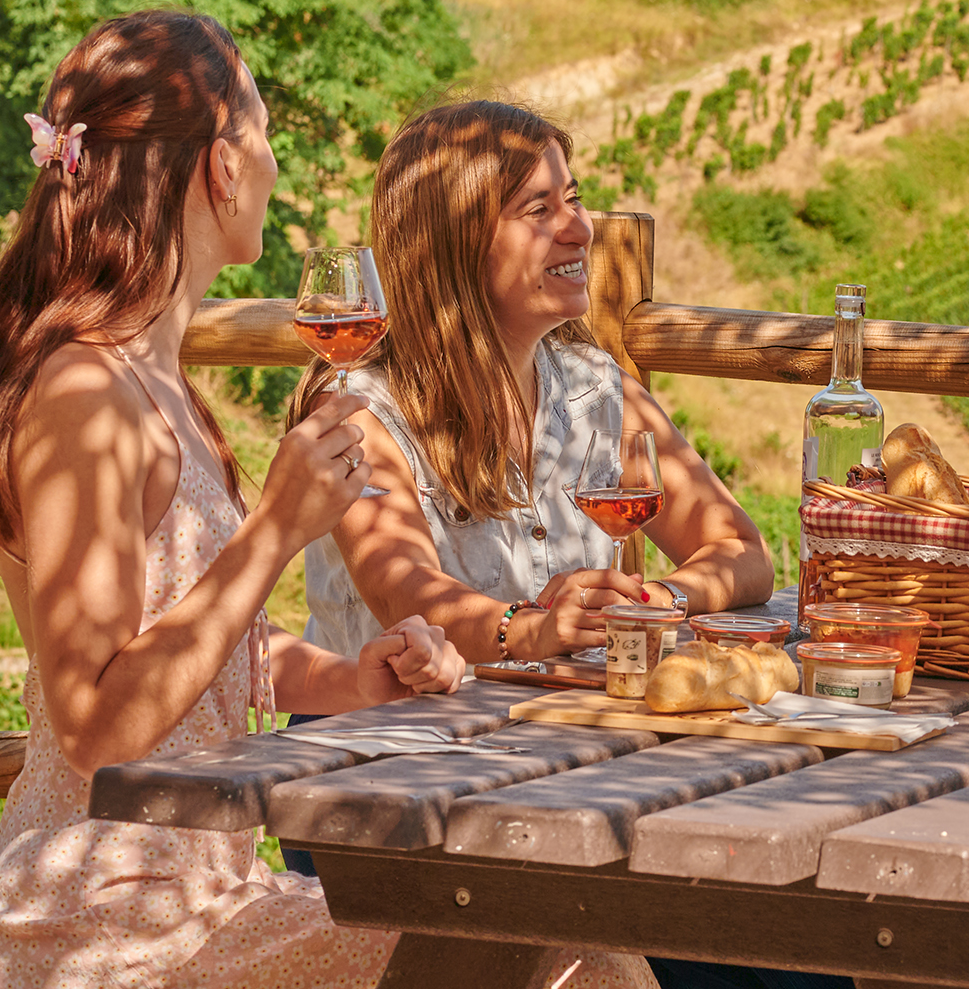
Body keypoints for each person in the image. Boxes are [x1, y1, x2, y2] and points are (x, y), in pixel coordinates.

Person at [0, 11, 469, 989]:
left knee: (550, 943)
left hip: (204, 897)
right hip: (101, 917)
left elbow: (189, 647)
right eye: (263, 132)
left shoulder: (151, 380)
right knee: (530, 947)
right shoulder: (84, 393)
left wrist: (355, 680)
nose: (274, 163)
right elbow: (95, 725)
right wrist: (274, 531)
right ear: (222, 164)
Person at [290, 100, 772, 670]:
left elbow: (742, 553)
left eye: (573, 198)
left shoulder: (595, 388)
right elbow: (407, 594)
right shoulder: (362, 411)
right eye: (539, 210)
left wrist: (652, 600)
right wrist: (528, 629)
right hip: (378, 723)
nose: (580, 229)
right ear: (457, 242)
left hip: (545, 720)